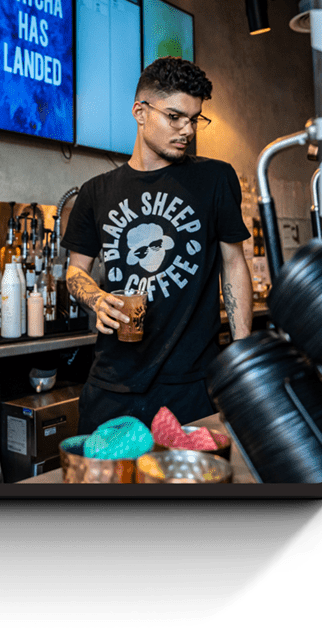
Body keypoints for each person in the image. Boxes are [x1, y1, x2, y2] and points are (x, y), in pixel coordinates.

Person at [61, 57, 253, 435]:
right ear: (140, 112)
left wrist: (243, 358)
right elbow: (75, 271)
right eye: (175, 116)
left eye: (195, 118)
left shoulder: (215, 179)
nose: (188, 130)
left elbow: (234, 264)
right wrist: (96, 298)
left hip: (191, 388)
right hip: (111, 387)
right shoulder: (96, 192)